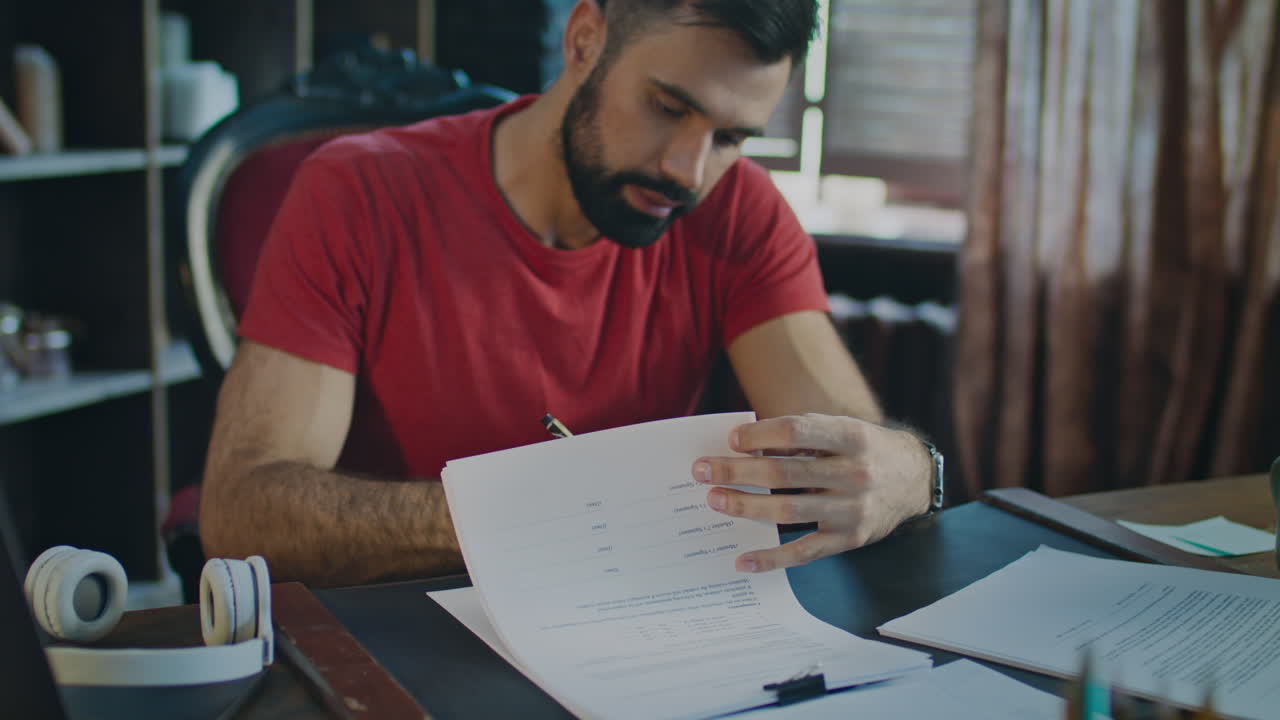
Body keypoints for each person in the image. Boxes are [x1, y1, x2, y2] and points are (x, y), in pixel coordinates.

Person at [199, 0, 937, 587]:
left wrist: (907, 471)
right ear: (585, 39)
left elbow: (847, 451)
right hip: (411, 627)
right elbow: (245, 515)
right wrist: (544, 515)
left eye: (731, 136)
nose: (689, 170)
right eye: (668, 107)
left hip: (638, 622)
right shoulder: (357, 191)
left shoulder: (735, 207)